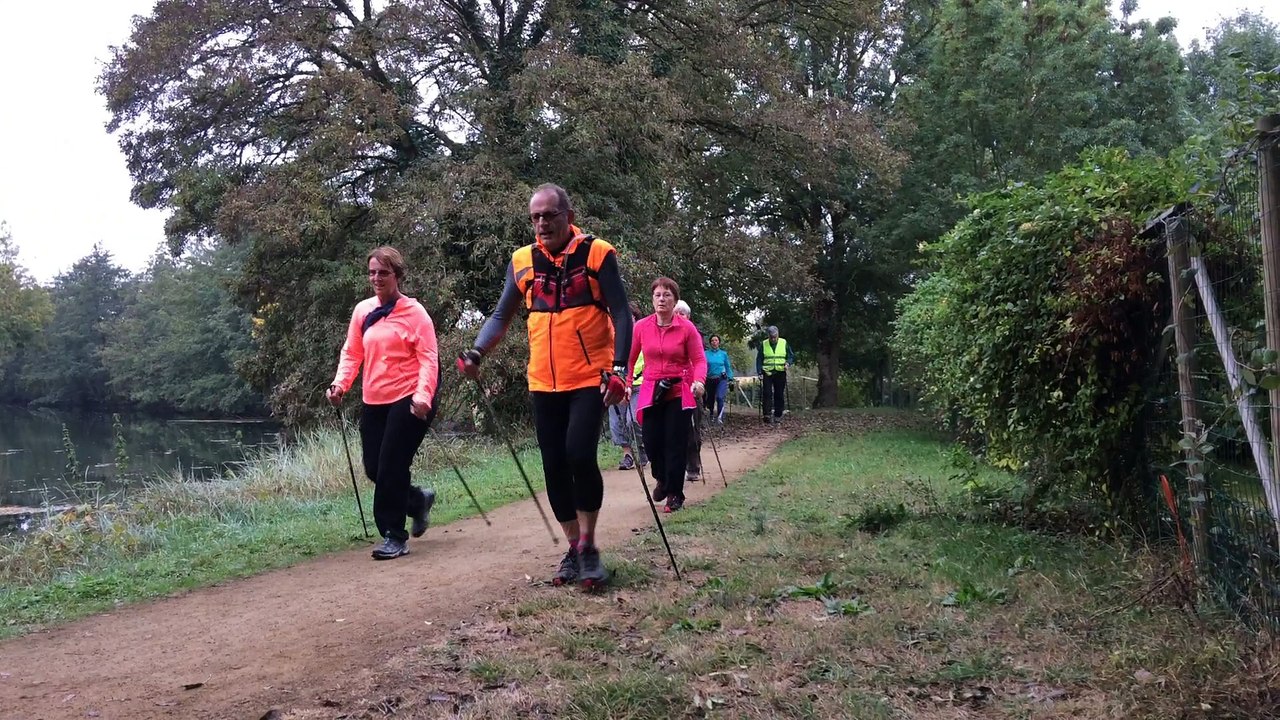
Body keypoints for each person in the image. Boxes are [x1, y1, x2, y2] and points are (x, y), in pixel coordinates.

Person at [457, 183, 632, 590]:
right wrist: (478, 352)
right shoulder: (522, 261)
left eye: (549, 215)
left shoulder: (598, 253)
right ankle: (574, 548)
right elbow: (501, 315)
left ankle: (589, 547)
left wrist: (620, 370)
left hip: (591, 377)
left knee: (578, 454)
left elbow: (623, 315)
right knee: (553, 465)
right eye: (535, 217)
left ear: (567, 216)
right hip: (543, 381)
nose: (541, 223)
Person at [327, 246, 440, 560]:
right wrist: (340, 384)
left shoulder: (415, 313)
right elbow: (352, 353)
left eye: (384, 273)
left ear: (398, 276)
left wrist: (422, 396)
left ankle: (394, 535)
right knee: (375, 468)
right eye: (372, 272)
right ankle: (417, 500)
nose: (376, 278)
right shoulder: (363, 311)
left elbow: (429, 360)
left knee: (391, 464)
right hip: (374, 397)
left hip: (409, 396)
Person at [629, 278, 707, 512]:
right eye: (657, 295)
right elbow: (630, 360)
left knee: (675, 442)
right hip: (651, 389)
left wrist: (699, 382)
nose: (662, 299)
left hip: (679, 390)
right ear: (652, 299)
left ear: (675, 300)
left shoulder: (686, 327)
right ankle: (662, 479)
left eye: (667, 295)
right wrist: (625, 382)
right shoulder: (641, 327)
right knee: (651, 441)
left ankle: (675, 493)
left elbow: (699, 360)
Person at [608, 303, 646, 469]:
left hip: (638, 384)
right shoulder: (610, 336)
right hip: (616, 385)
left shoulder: (643, 335)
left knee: (633, 421)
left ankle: (642, 448)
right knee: (617, 423)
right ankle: (628, 455)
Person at [674, 300, 702, 483]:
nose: (678, 317)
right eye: (676, 313)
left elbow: (699, 361)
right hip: (673, 389)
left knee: (693, 429)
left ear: (688, 316)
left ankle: (693, 465)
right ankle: (677, 466)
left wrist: (698, 382)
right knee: (675, 430)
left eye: (682, 313)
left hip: (692, 387)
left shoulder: (693, 334)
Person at [755, 325, 794, 423]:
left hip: (780, 371)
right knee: (767, 393)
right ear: (768, 335)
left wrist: (788, 363)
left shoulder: (784, 342)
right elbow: (759, 359)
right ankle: (767, 415)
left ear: (778, 335)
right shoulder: (764, 344)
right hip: (767, 372)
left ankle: (778, 415)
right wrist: (759, 371)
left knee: (779, 394)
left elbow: (791, 356)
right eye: (771, 337)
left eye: (775, 336)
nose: (773, 339)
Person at [704, 335, 735, 425]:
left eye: (716, 340)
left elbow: (727, 366)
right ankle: (711, 414)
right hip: (709, 378)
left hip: (721, 378)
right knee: (710, 398)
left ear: (719, 342)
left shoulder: (723, 354)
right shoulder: (706, 353)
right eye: (712, 340)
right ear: (710, 343)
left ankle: (720, 417)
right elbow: (702, 366)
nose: (714, 342)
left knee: (720, 397)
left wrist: (730, 377)